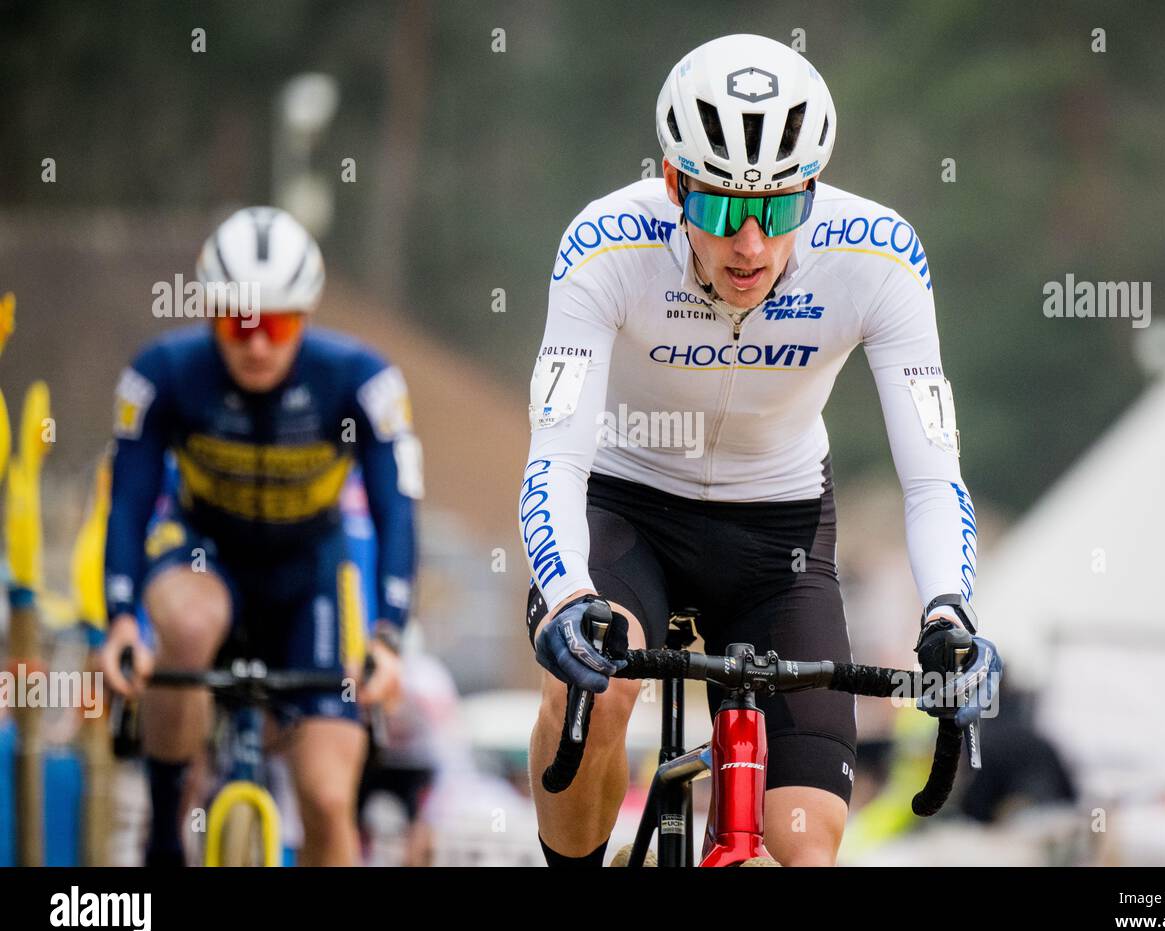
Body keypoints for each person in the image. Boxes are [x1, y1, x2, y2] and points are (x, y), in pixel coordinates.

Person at [520, 34, 982, 866]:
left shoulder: (878, 255)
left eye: (775, 209)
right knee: (595, 687)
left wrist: (949, 610)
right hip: (628, 509)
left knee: (804, 842)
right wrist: (565, 595)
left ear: (812, 189)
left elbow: (931, 472)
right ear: (672, 183)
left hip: (781, 537)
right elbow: (556, 453)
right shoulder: (604, 243)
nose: (750, 245)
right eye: (720, 209)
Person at [96, 206, 422, 866]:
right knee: (188, 624)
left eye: (275, 324)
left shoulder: (360, 380)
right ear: (213, 312)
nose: (257, 345)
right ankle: (164, 834)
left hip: (312, 574)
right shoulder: (163, 373)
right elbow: (128, 503)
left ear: (304, 317)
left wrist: (388, 634)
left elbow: (397, 509)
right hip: (201, 553)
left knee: (329, 798)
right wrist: (122, 619)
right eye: (239, 322)